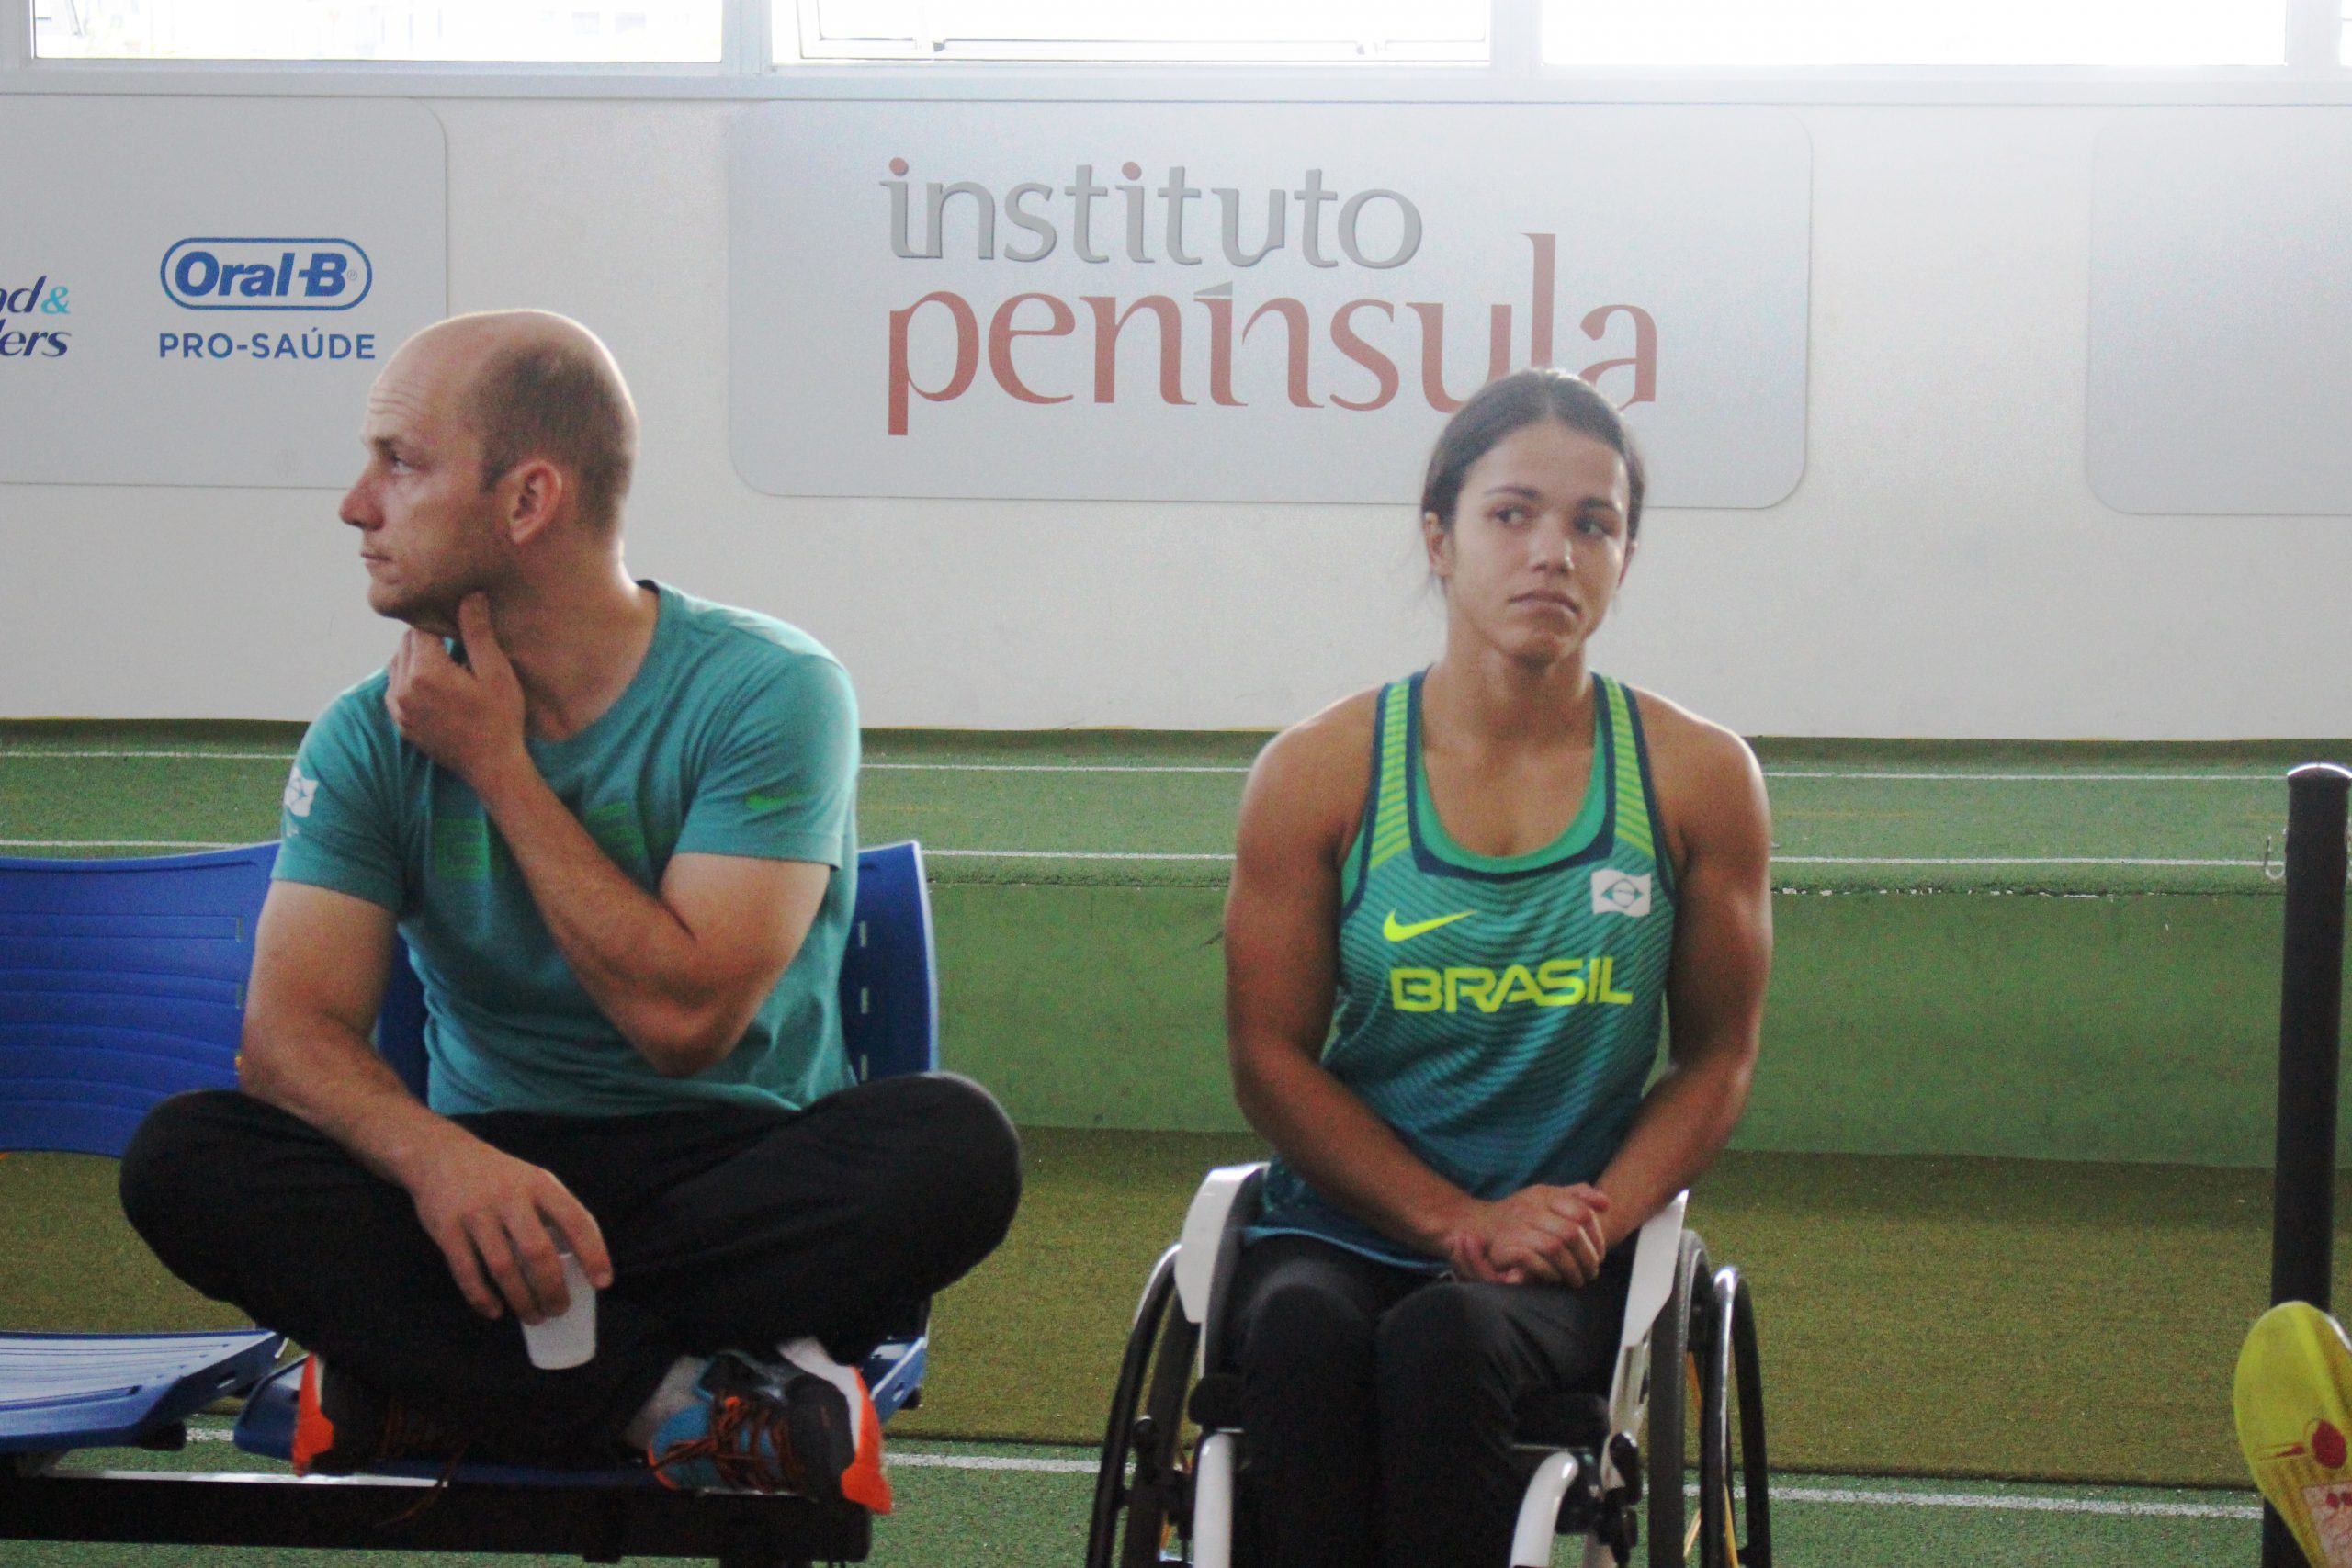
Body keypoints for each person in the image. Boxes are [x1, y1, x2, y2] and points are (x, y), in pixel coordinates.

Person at [117, 310, 1021, 1509]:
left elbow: (682, 1023)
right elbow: (288, 1038)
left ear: (529, 499)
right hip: (489, 1179)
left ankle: (439, 1373)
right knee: (186, 1158)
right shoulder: (362, 734)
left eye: (401, 462)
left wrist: (499, 766)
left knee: (953, 1149)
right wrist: (440, 1165)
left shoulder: (771, 690)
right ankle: (681, 1404)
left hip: (731, 1168)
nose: (355, 504)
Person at [1219, 367, 1772, 1568]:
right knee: (1304, 1336)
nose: (1553, 554)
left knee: (1449, 1342)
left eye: (1594, 522)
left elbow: (1720, 1053)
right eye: (1511, 514)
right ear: (1440, 538)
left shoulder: (1695, 777)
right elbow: (1268, 1056)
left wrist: (1590, 1219)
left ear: (1626, 555)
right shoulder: (1320, 772)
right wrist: (1457, 1218)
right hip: (1349, 1226)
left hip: (1562, 1253)